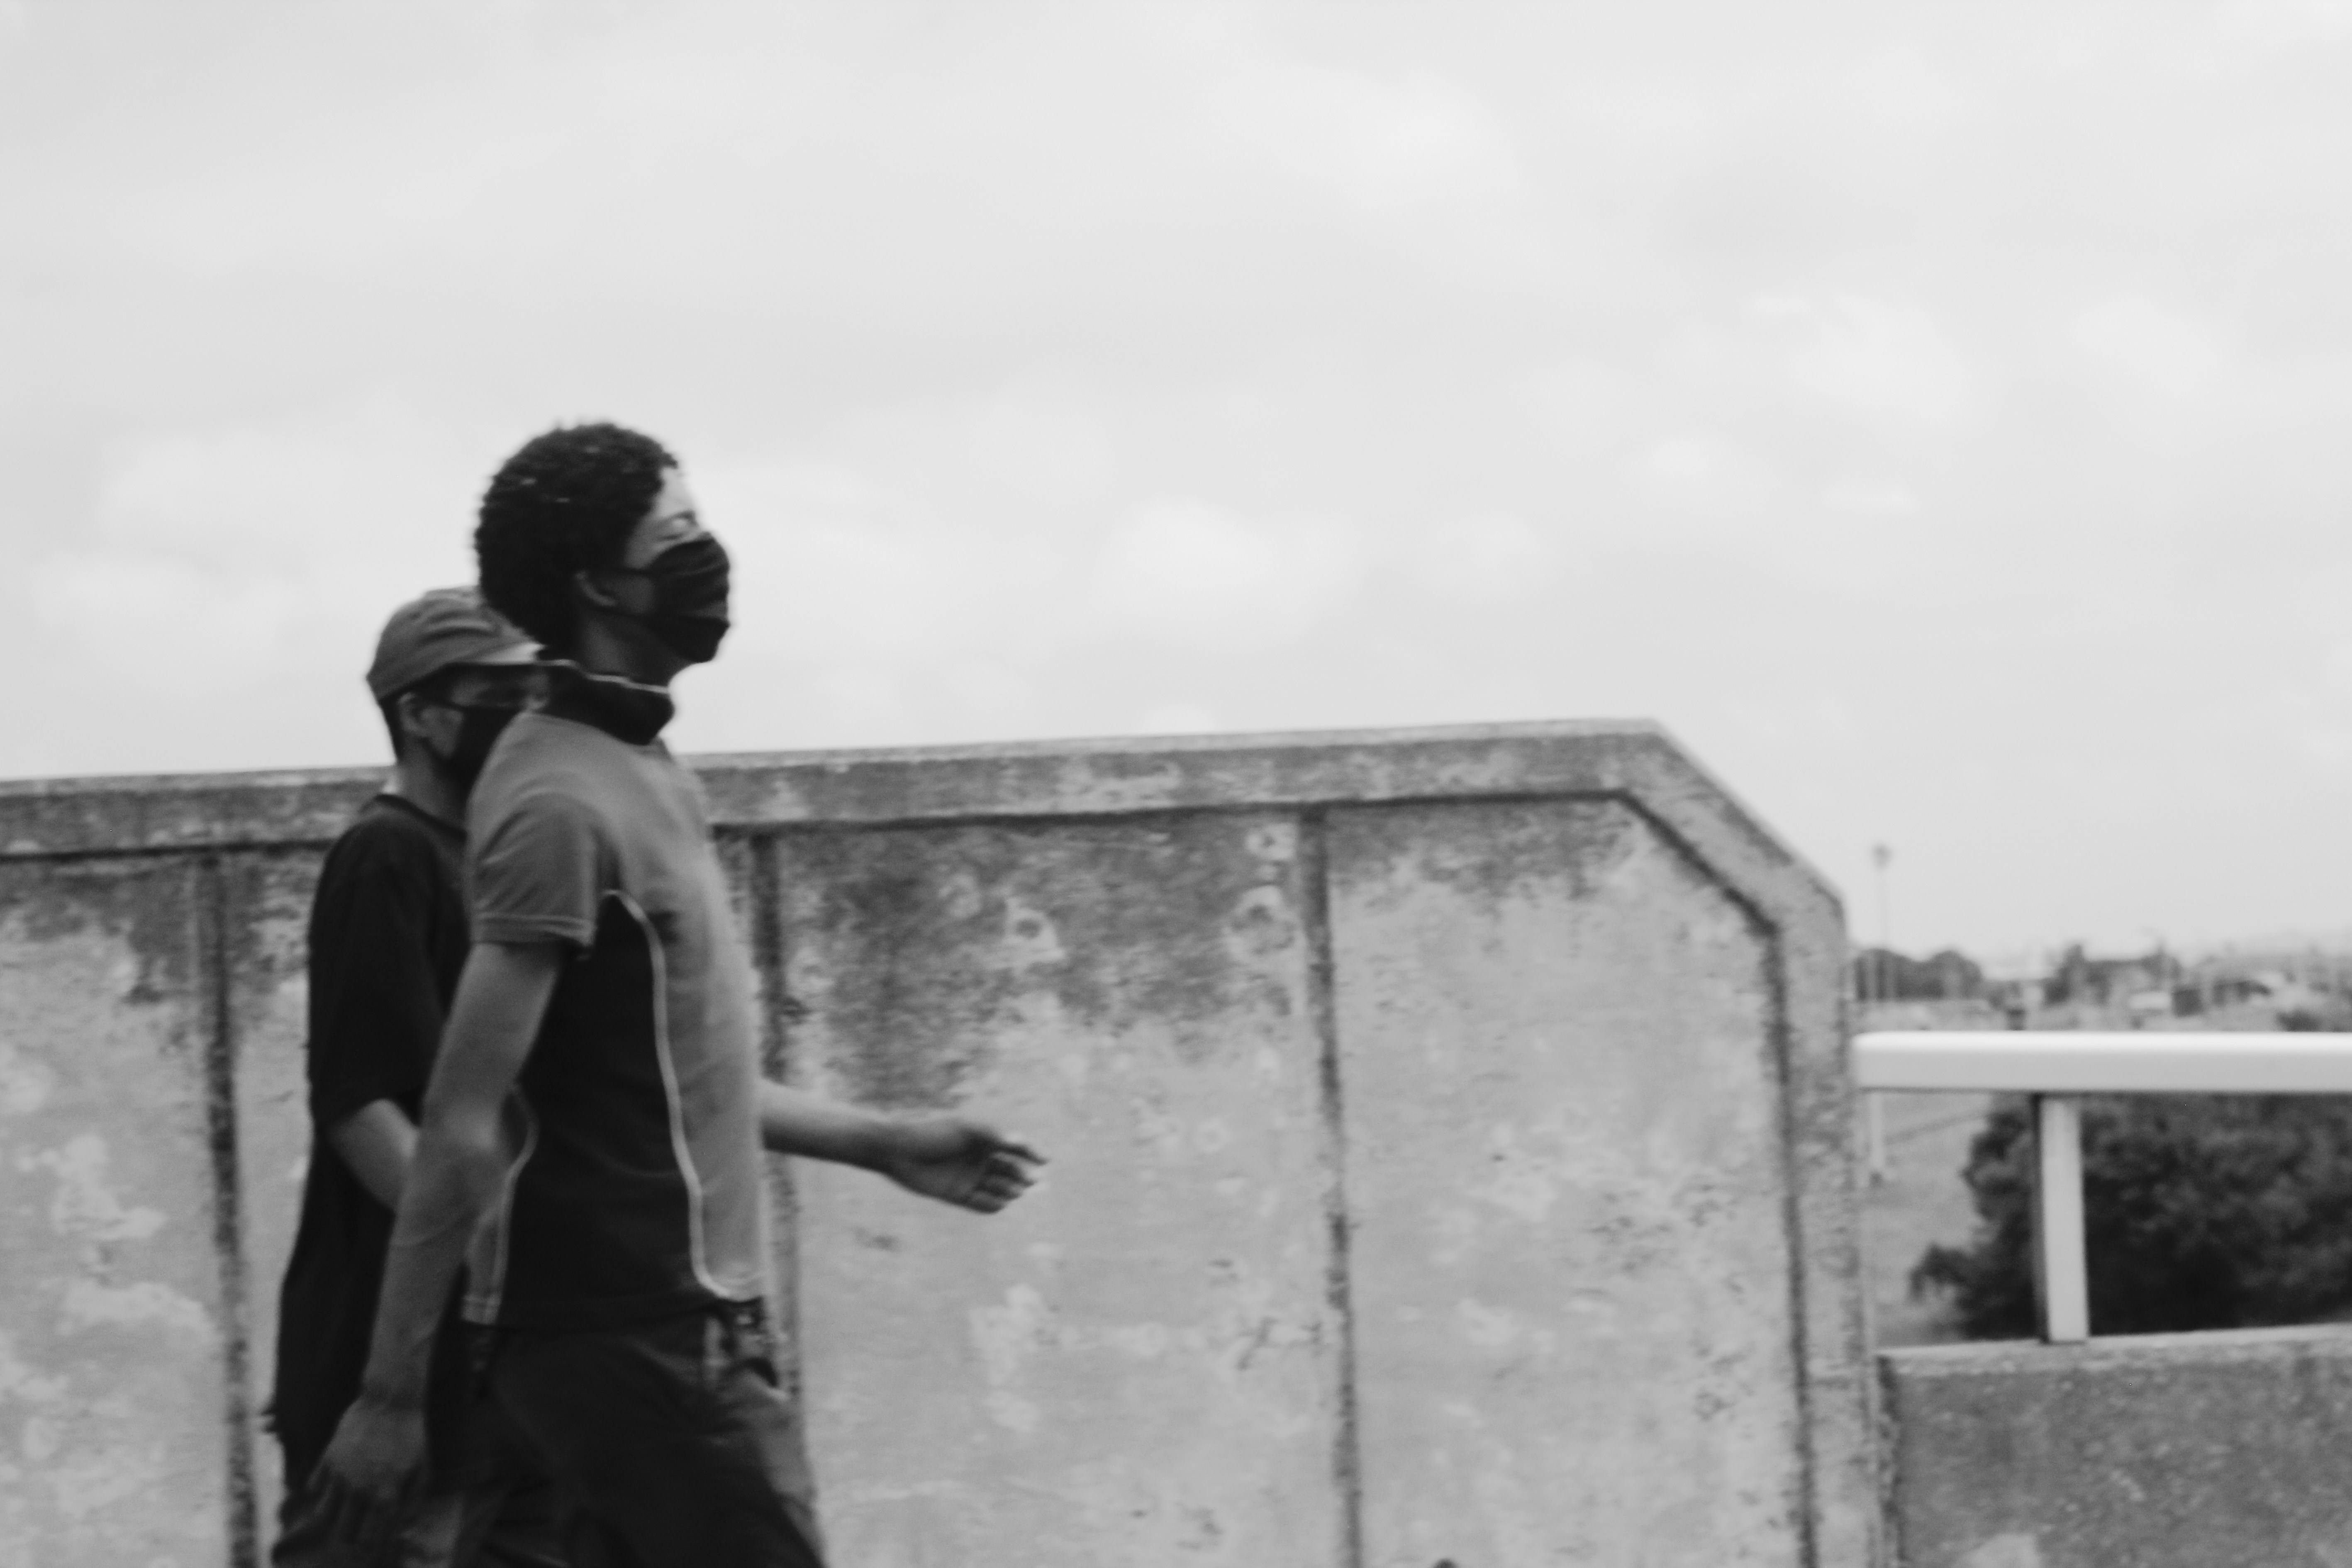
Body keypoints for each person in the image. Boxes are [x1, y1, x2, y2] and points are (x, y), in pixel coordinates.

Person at [311, 422, 1043, 1568]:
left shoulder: (636, 766)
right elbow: (460, 1113)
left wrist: (885, 1139)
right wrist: (390, 1395)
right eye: (680, 531)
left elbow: (669, 1071)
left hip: (658, 1335)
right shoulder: (557, 800)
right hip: (637, 1339)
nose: (711, 554)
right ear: (602, 583)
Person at [269, 588, 563, 1567]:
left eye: (534, 690)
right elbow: (363, 1110)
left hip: (508, 1374)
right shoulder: (385, 857)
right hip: (398, 1364)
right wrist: (495, 1254)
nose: (527, 711)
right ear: (422, 716)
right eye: (500, 693)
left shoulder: (501, 860)